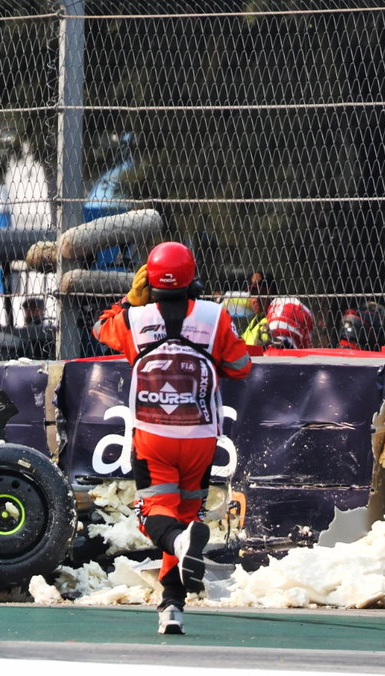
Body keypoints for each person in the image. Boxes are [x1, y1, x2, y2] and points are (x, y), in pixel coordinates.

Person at [93, 242, 252, 636]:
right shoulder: (215, 316)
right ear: (192, 276)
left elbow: (99, 328)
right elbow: (240, 366)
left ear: (148, 279)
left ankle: (179, 548)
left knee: (156, 515)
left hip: (153, 436)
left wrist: (128, 301)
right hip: (200, 436)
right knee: (186, 516)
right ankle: (171, 606)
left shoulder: (134, 318)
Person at [237, 271, 278, 345]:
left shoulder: (275, 321)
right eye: (252, 294)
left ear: (271, 294)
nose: (255, 299)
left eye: (261, 293)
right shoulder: (256, 320)